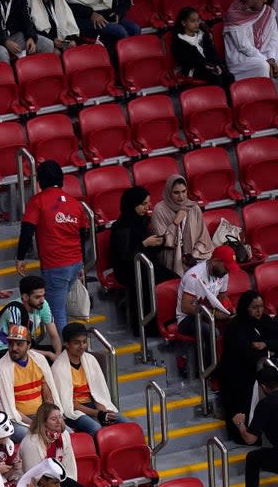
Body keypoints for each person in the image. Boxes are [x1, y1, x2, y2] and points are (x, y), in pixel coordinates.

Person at [17, 161, 88, 331]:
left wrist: (20, 257)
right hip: (75, 263)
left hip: (56, 266)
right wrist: (82, 263)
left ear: (40, 181)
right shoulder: (75, 203)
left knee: (57, 314)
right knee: (61, 308)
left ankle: (65, 353)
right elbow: (83, 235)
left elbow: (27, 230)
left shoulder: (38, 201)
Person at [110, 187, 175, 335]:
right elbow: (124, 258)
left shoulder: (142, 222)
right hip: (128, 269)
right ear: (133, 204)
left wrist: (158, 243)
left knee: (173, 278)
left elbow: (147, 250)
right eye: (143, 204)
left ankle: (167, 320)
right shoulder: (121, 227)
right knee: (150, 282)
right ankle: (148, 327)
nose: (148, 207)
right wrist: (145, 244)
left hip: (145, 265)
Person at [219, 291, 278, 444]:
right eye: (254, 307)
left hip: (262, 368)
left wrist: (266, 345)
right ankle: (246, 434)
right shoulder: (235, 326)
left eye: (261, 307)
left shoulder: (265, 320)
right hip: (239, 373)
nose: (259, 311)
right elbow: (242, 350)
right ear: (246, 308)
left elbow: (274, 339)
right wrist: (265, 348)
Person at [0, 325, 59, 442]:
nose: (14, 348)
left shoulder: (39, 360)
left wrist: (48, 418)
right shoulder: (1, 369)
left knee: (67, 434)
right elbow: (9, 409)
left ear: (29, 345)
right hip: (14, 421)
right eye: (11, 343)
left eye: (19, 344)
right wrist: (37, 424)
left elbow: (48, 395)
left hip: (40, 416)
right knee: (37, 440)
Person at [175, 244, 233, 375]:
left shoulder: (223, 273)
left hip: (209, 314)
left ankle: (228, 367)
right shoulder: (194, 276)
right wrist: (213, 314)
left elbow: (222, 296)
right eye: (226, 267)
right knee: (212, 332)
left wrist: (230, 310)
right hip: (186, 319)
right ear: (215, 261)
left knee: (235, 325)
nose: (227, 272)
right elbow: (186, 307)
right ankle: (209, 373)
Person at [52, 323, 119, 435]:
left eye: (84, 342)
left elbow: (98, 393)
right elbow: (68, 403)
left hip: (93, 406)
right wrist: (98, 414)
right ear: (67, 344)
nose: (82, 346)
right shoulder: (58, 367)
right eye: (77, 343)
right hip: (74, 411)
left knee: (125, 423)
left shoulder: (90, 359)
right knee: (96, 428)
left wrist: (103, 412)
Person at [232, 367, 278, 487]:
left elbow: (250, 439)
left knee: (253, 458)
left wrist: (240, 424)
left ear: (263, 387)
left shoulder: (266, 405)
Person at [19, 403, 88, 487]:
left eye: (60, 417)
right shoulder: (31, 443)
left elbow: (69, 463)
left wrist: (71, 482)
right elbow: (32, 474)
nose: (59, 421)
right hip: (40, 482)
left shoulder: (64, 435)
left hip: (58, 478)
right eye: (54, 419)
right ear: (43, 422)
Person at [0, 276, 62, 365]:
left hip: (26, 348)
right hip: (5, 351)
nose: (42, 300)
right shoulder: (14, 310)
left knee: (65, 353)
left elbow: (54, 335)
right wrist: (49, 354)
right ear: (25, 297)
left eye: (43, 295)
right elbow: (17, 345)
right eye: (37, 297)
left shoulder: (43, 305)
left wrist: (58, 355)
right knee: (42, 359)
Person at [151, 175, 213, 275]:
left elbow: (203, 238)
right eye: (176, 193)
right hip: (169, 261)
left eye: (184, 191)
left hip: (193, 259)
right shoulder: (159, 210)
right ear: (168, 192)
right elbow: (162, 241)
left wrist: (194, 255)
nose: (182, 196)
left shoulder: (193, 208)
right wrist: (176, 222)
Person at [64, 0, 140, 56]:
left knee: (134, 28)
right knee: (118, 31)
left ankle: (135, 62)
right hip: (83, 18)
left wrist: (118, 12)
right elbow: (69, 7)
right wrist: (91, 14)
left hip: (106, 15)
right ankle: (121, 64)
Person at [224, 0, 278, 80]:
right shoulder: (234, 14)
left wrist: (271, 58)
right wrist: (266, 60)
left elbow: (274, 39)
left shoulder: (268, 12)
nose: (265, 1)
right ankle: (263, 93)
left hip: (266, 53)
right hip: (242, 57)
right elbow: (243, 46)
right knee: (263, 66)